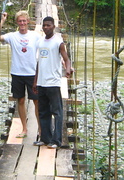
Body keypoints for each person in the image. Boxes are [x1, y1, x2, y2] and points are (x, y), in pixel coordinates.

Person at [0, 11, 41, 138]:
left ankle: (41, 130)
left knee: (37, 101)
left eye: (24, 21)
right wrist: (2, 21)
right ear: (17, 22)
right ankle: (24, 129)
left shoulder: (35, 36)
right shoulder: (12, 36)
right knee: (20, 100)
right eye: (20, 21)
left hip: (32, 73)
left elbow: (46, 48)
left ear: (28, 21)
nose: (22, 23)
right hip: (17, 73)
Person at [33, 16, 72, 149]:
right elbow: (39, 63)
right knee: (43, 111)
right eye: (44, 25)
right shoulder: (40, 42)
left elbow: (66, 59)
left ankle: (56, 141)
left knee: (57, 112)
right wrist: (35, 81)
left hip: (53, 82)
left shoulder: (58, 41)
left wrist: (67, 70)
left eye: (48, 25)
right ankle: (45, 138)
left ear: (53, 26)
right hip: (41, 82)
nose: (46, 27)